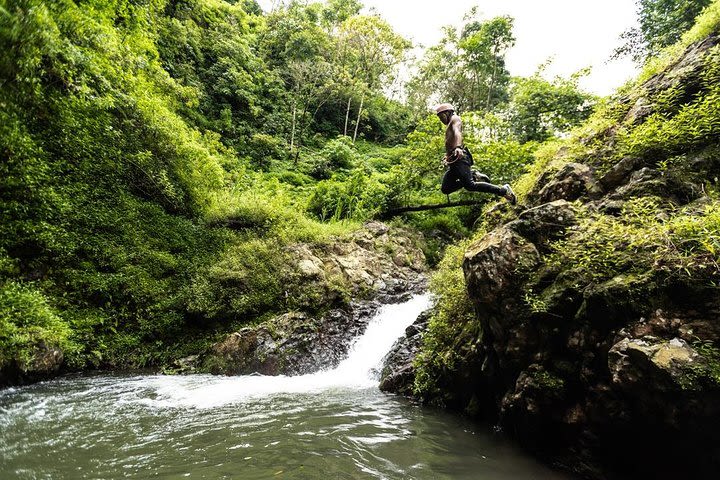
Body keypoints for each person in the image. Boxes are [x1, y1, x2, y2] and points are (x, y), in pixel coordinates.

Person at [435, 103, 516, 205]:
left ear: (448, 113)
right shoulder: (449, 125)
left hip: (460, 158)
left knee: (470, 186)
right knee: (446, 188)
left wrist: (458, 148)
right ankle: (472, 175)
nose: (441, 120)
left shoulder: (455, 119)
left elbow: (457, 132)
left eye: (442, 116)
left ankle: (503, 190)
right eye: (439, 118)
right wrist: (447, 155)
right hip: (453, 162)